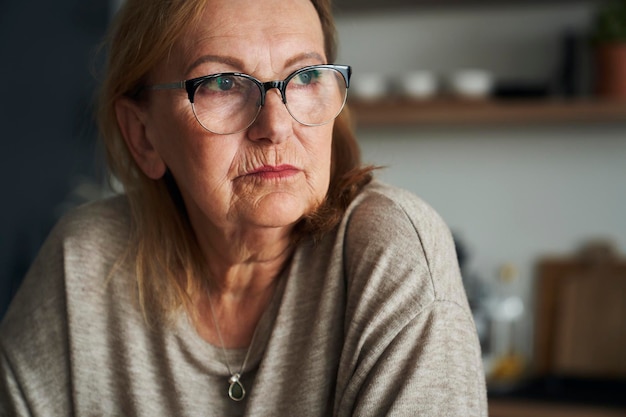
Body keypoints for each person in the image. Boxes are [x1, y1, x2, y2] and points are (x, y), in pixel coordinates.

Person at [0, 0, 488, 415]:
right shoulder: (83, 264)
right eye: (222, 84)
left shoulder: (393, 249)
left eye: (305, 76)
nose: (275, 126)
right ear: (143, 135)